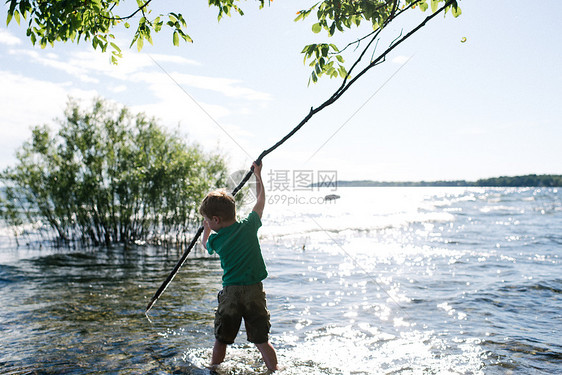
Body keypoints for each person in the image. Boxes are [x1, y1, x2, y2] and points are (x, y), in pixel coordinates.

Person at [199, 161, 278, 372]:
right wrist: (258, 175)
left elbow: (204, 244)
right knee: (262, 340)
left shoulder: (216, 240)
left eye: (208, 220)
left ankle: (214, 369)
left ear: (215, 219)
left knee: (221, 340)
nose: (207, 222)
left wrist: (206, 231)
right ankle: (275, 369)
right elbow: (261, 200)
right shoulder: (249, 226)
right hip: (254, 290)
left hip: (231, 294)